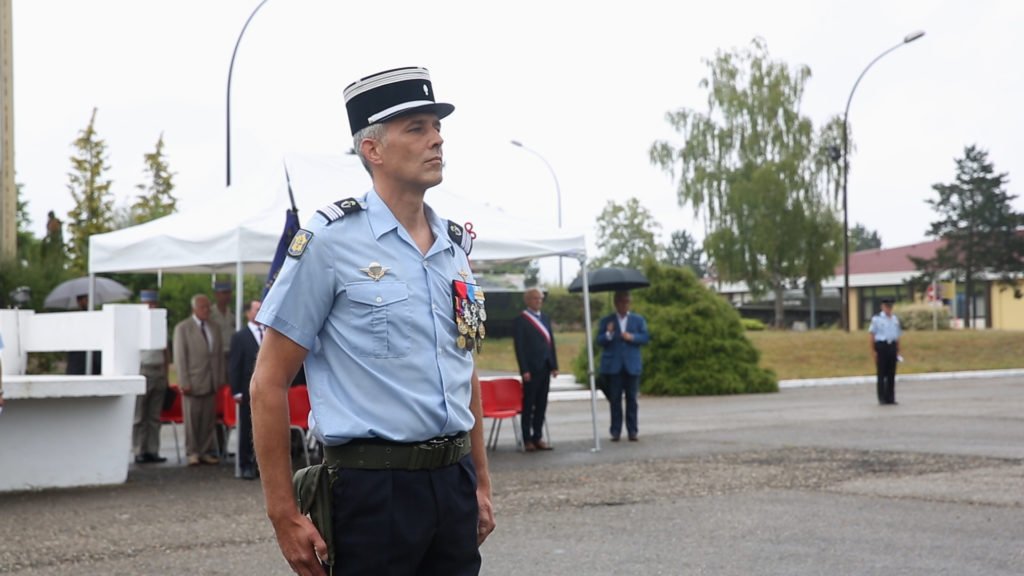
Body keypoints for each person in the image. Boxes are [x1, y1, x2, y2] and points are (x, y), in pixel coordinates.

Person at [251, 65, 494, 576]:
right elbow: (268, 382)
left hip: (452, 483)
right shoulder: (330, 241)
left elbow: (463, 365)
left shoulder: (454, 248)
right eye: (417, 128)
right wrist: (282, 513)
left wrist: (481, 483)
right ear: (373, 150)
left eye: (437, 127)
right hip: (371, 490)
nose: (437, 140)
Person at [173, 294, 224, 466]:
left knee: (208, 419)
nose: (207, 310)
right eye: (203, 307)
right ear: (194, 309)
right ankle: (192, 451)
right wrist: (184, 381)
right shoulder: (183, 328)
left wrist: (219, 378)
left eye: (208, 307)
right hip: (193, 381)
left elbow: (218, 356)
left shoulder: (214, 327)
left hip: (211, 381)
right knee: (192, 419)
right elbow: (180, 358)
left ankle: (205, 450)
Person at [596, 290, 650, 442]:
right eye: (621, 302)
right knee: (615, 400)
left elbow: (645, 337)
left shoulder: (638, 320)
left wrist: (632, 337)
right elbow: (599, 341)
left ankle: (632, 431)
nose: (624, 305)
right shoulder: (608, 320)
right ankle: (615, 431)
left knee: (632, 399)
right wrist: (608, 334)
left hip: (632, 365)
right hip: (614, 366)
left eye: (626, 302)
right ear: (615, 303)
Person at [513, 287, 558, 451]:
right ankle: (527, 439)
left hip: (545, 367)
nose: (538, 301)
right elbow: (520, 347)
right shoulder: (521, 320)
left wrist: (554, 365)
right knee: (529, 404)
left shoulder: (545, 318)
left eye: (540, 298)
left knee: (541, 404)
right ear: (528, 300)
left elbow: (550, 343)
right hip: (530, 370)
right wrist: (524, 369)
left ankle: (538, 436)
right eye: (535, 298)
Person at [133, 290, 169, 464]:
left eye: (153, 303)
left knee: (154, 416)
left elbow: (165, 349)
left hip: (158, 370)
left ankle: (153, 449)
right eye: (148, 304)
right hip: (143, 369)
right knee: (140, 416)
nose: (151, 306)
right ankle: (139, 449)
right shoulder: (136, 323)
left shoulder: (159, 322)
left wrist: (166, 374)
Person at [228, 299, 263, 480]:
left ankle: (259, 464)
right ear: (248, 313)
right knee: (246, 429)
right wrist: (236, 390)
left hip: (265, 391)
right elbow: (234, 365)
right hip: (246, 390)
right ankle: (245, 464)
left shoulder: (268, 334)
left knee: (264, 429)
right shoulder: (240, 337)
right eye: (257, 309)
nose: (260, 311)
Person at [869, 297, 902, 405]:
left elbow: (897, 336)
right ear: (882, 307)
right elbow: (872, 335)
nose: (889, 308)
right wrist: (873, 350)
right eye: (887, 306)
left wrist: (897, 350)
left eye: (890, 306)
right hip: (881, 346)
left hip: (891, 346)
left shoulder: (895, 319)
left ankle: (890, 397)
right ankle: (882, 398)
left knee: (891, 374)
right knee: (882, 374)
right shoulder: (877, 319)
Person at [66, 294, 101, 375]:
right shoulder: (76, 318)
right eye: (86, 299)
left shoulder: (96, 317)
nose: (88, 302)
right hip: (79, 359)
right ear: (79, 301)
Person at [210, 281, 235, 360]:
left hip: (231, 351)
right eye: (224, 293)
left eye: (229, 293)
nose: (228, 296)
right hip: (217, 353)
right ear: (217, 295)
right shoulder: (210, 314)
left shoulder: (232, 313)